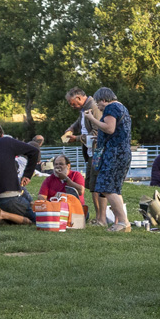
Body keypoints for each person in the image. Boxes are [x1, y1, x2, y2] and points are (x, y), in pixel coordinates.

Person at [84, 86, 133, 232]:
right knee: (115, 188)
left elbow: (109, 128)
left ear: (104, 100)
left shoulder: (111, 108)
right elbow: (114, 130)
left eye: (98, 103)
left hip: (114, 154)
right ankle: (122, 222)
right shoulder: (122, 108)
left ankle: (123, 222)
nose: (98, 106)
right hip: (123, 152)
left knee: (107, 187)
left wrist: (91, 118)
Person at [61, 88, 104, 222]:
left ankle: (100, 218)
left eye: (72, 103)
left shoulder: (93, 107)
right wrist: (71, 129)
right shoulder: (84, 108)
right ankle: (99, 217)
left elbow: (98, 133)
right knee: (91, 185)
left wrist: (77, 138)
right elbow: (79, 121)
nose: (71, 106)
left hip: (98, 152)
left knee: (96, 186)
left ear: (79, 98)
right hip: (91, 152)